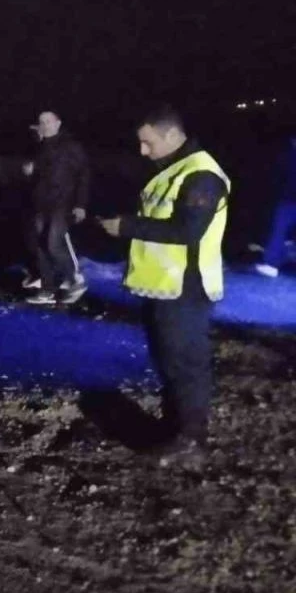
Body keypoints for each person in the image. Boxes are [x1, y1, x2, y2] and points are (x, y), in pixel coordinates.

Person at [98, 106, 230, 465]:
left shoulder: (201, 174)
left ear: (171, 135)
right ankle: (175, 429)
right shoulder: (173, 170)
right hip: (164, 286)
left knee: (186, 364)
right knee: (169, 360)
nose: (143, 151)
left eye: (148, 142)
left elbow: (188, 231)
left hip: (186, 287)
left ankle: (191, 440)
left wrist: (127, 227)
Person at [22, 110, 90, 304]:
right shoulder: (39, 147)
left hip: (63, 203)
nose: (45, 124)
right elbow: (37, 174)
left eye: (49, 121)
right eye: (41, 121)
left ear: (58, 123)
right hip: (40, 204)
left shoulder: (70, 146)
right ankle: (47, 290)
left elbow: (84, 174)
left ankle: (75, 280)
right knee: (41, 245)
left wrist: (81, 204)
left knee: (54, 243)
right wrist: (30, 172)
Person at [253, 136, 296, 277]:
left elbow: (278, 177)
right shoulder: (288, 155)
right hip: (288, 199)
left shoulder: (288, 155)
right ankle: (274, 261)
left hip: (288, 200)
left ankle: (272, 264)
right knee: (279, 231)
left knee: (279, 230)